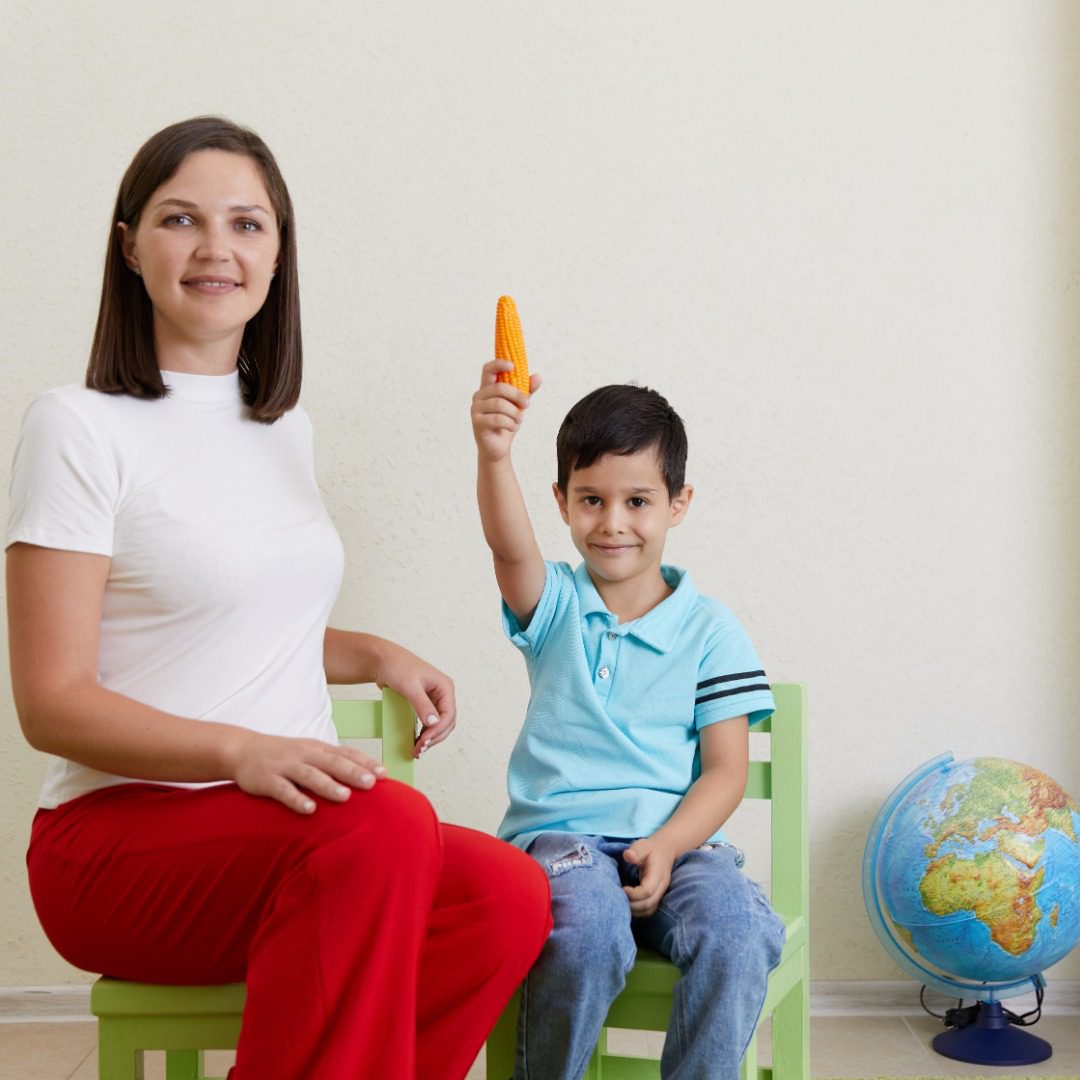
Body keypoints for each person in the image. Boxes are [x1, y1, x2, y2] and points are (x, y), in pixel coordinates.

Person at [6, 116, 551, 1080]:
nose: (217, 248)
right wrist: (240, 752)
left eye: (248, 225)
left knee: (504, 892)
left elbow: (230, 617)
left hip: (291, 841)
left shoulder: (281, 428)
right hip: (118, 845)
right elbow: (52, 701)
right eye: (181, 219)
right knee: (384, 826)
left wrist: (376, 652)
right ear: (130, 246)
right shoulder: (76, 427)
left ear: (278, 253)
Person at [470, 361, 787, 1080]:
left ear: (678, 503)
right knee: (585, 931)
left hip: (680, 847)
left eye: (638, 500)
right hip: (564, 844)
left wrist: (671, 845)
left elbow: (726, 771)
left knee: (735, 929)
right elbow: (508, 546)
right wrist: (494, 454)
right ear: (561, 501)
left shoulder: (711, 631)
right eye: (591, 500)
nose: (613, 524)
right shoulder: (553, 605)